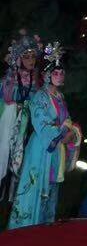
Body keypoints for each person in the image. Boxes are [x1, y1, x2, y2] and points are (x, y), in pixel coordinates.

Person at [6, 44, 81, 230]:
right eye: (56, 73)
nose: (60, 76)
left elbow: (67, 120)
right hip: (41, 148)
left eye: (62, 73)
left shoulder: (60, 97)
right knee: (36, 189)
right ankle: (26, 229)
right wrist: (63, 133)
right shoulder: (39, 97)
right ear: (47, 75)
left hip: (55, 151)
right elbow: (42, 124)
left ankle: (45, 230)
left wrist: (72, 133)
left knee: (52, 191)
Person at [0, 32, 43, 199]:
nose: (31, 60)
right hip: (8, 120)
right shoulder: (9, 78)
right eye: (26, 56)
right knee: (4, 150)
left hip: (24, 124)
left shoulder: (36, 80)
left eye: (33, 56)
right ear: (19, 58)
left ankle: (10, 197)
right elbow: (6, 97)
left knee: (18, 156)